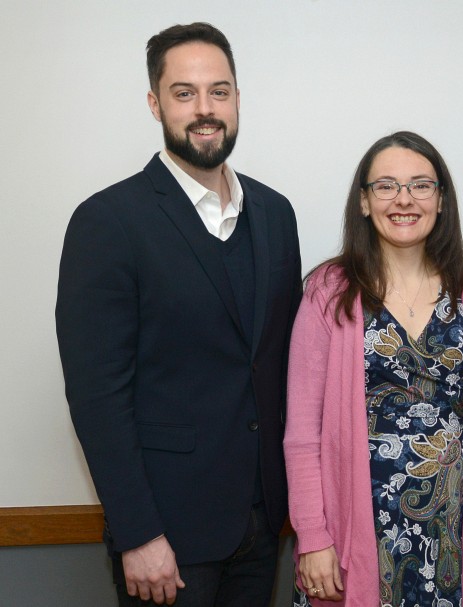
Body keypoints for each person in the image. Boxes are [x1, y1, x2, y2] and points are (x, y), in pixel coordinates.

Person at [55, 22, 302, 606]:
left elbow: (280, 364)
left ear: (238, 98)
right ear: (154, 103)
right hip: (166, 538)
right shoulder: (108, 222)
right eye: (184, 93)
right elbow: (97, 397)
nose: (205, 109)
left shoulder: (275, 214)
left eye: (219, 91)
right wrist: (138, 534)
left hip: (263, 525)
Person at [284, 131, 463, 607]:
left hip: (453, 528)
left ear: (441, 199)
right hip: (355, 534)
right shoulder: (329, 291)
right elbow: (303, 430)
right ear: (364, 202)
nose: (403, 199)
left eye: (420, 185)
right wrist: (313, 535)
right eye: (385, 186)